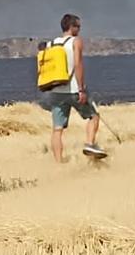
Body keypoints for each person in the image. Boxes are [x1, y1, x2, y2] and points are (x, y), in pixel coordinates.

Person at [42, 12, 105, 163]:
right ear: (72, 27)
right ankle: (89, 144)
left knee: (57, 129)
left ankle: (58, 162)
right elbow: (78, 65)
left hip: (55, 90)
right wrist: (81, 89)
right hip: (73, 90)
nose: (80, 29)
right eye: (78, 26)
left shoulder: (51, 44)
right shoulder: (76, 42)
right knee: (93, 116)